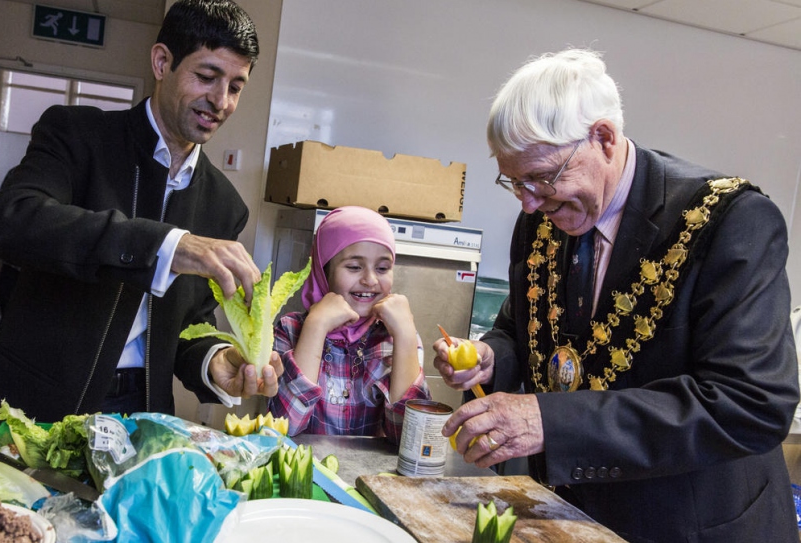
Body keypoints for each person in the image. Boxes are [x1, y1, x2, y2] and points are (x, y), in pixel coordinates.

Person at [433, 49, 799, 542]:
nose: (528, 202)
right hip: (566, 512)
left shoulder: (728, 220)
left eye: (541, 177)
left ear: (603, 138)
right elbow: (520, 330)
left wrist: (552, 422)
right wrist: (489, 357)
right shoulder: (543, 216)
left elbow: (749, 402)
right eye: (513, 182)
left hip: (690, 525)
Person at [0, 0, 280, 422]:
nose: (220, 101)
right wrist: (167, 245)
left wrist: (214, 361)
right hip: (31, 402)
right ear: (162, 62)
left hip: (139, 412)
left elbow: (189, 321)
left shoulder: (224, 205)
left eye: (235, 87)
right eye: (206, 76)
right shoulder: (76, 135)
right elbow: (10, 219)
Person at [268, 206, 430, 443]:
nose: (370, 280)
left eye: (383, 268)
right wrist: (316, 326)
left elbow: (412, 440)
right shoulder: (289, 330)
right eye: (354, 267)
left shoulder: (397, 337)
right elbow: (284, 426)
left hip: (372, 478)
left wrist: (405, 334)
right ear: (324, 271)